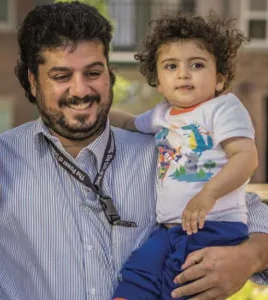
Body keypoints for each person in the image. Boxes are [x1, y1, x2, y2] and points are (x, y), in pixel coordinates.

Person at [0, 2, 268, 300]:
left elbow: (253, 213)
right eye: (61, 76)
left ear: (110, 75)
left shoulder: (165, 152)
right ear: (33, 83)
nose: (80, 90)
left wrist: (248, 258)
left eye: (93, 73)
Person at [108, 13, 259, 300]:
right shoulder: (162, 115)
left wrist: (209, 194)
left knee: (181, 280)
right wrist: (98, 111)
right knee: (141, 267)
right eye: (171, 66)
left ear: (220, 79)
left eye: (197, 65)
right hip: (168, 229)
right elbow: (129, 123)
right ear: (159, 83)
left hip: (214, 226)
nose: (183, 73)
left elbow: (245, 156)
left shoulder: (222, 108)